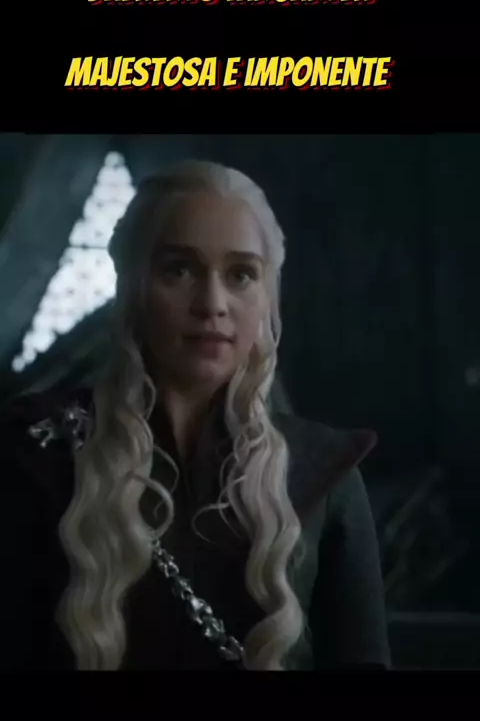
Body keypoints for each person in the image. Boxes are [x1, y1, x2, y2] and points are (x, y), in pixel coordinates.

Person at [0, 160, 391, 671]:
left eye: (241, 274)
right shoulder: (39, 456)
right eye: (179, 270)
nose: (212, 303)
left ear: (267, 297)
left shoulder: (326, 475)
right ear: (133, 284)